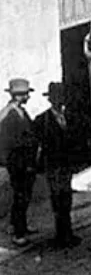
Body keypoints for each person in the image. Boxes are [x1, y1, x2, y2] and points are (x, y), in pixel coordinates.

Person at [34, 82, 81, 248]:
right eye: (56, 98)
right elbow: (38, 144)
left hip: (65, 165)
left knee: (66, 199)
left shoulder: (68, 117)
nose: (59, 101)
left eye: (61, 97)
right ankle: (61, 235)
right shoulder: (42, 120)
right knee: (58, 199)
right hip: (53, 165)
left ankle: (67, 233)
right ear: (50, 99)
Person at [0, 78, 37, 247]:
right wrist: (15, 163)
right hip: (18, 163)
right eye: (26, 94)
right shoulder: (9, 115)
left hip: (25, 161)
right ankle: (18, 233)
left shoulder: (20, 111)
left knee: (24, 195)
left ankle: (18, 225)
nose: (28, 97)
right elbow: (8, 143)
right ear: (18, 95)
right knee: (21, 196)